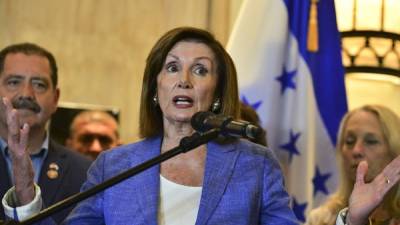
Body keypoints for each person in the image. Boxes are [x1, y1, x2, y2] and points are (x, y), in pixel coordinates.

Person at [2, 27, 299, 224]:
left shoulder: (254, 164)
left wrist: (347, 221)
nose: (184, 79)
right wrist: (27, 192)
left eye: (200, 69)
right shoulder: (114, 165)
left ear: (218, 93)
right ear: (156, 89)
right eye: (172, 67)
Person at [0, 43, 92, 223]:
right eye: (14, 82)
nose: (26, 94)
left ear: (55, 98)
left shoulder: (86, 173)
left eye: (39, 85)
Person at [306, 105, 400, 225]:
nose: (356, 150)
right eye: (349, 141)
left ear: (394, 152)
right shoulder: (320, 219)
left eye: (371, 141)